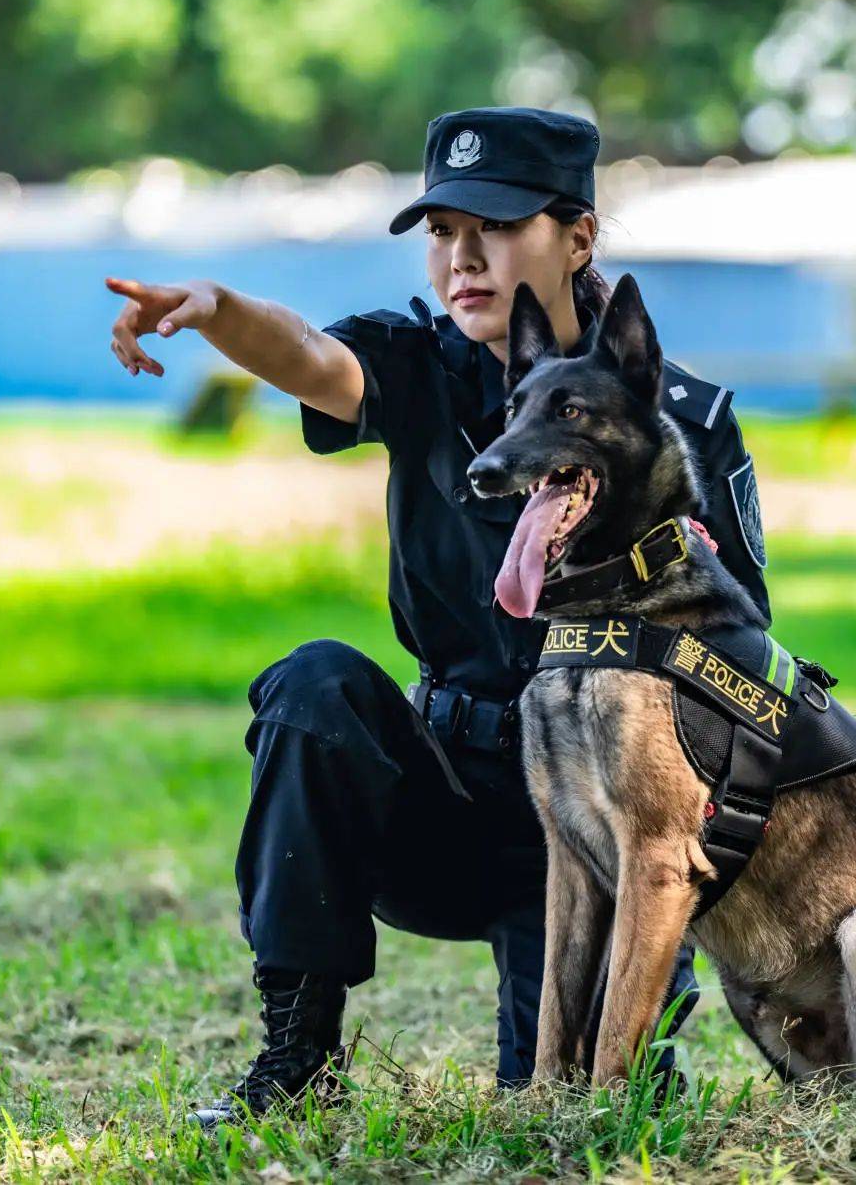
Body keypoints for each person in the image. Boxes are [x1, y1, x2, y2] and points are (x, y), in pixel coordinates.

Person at [105, 106, 772, 1127]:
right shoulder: (417, 365)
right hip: (452, 795)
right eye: (442, 231)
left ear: (577, 236)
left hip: (603, 822)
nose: (462, 258)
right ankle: (297, 1053)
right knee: (314, 685)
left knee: (568, 1109)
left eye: (495, 228)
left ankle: (632, 1036)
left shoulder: (676, 422)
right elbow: (311, 359)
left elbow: (741, 669)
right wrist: (219, 307)